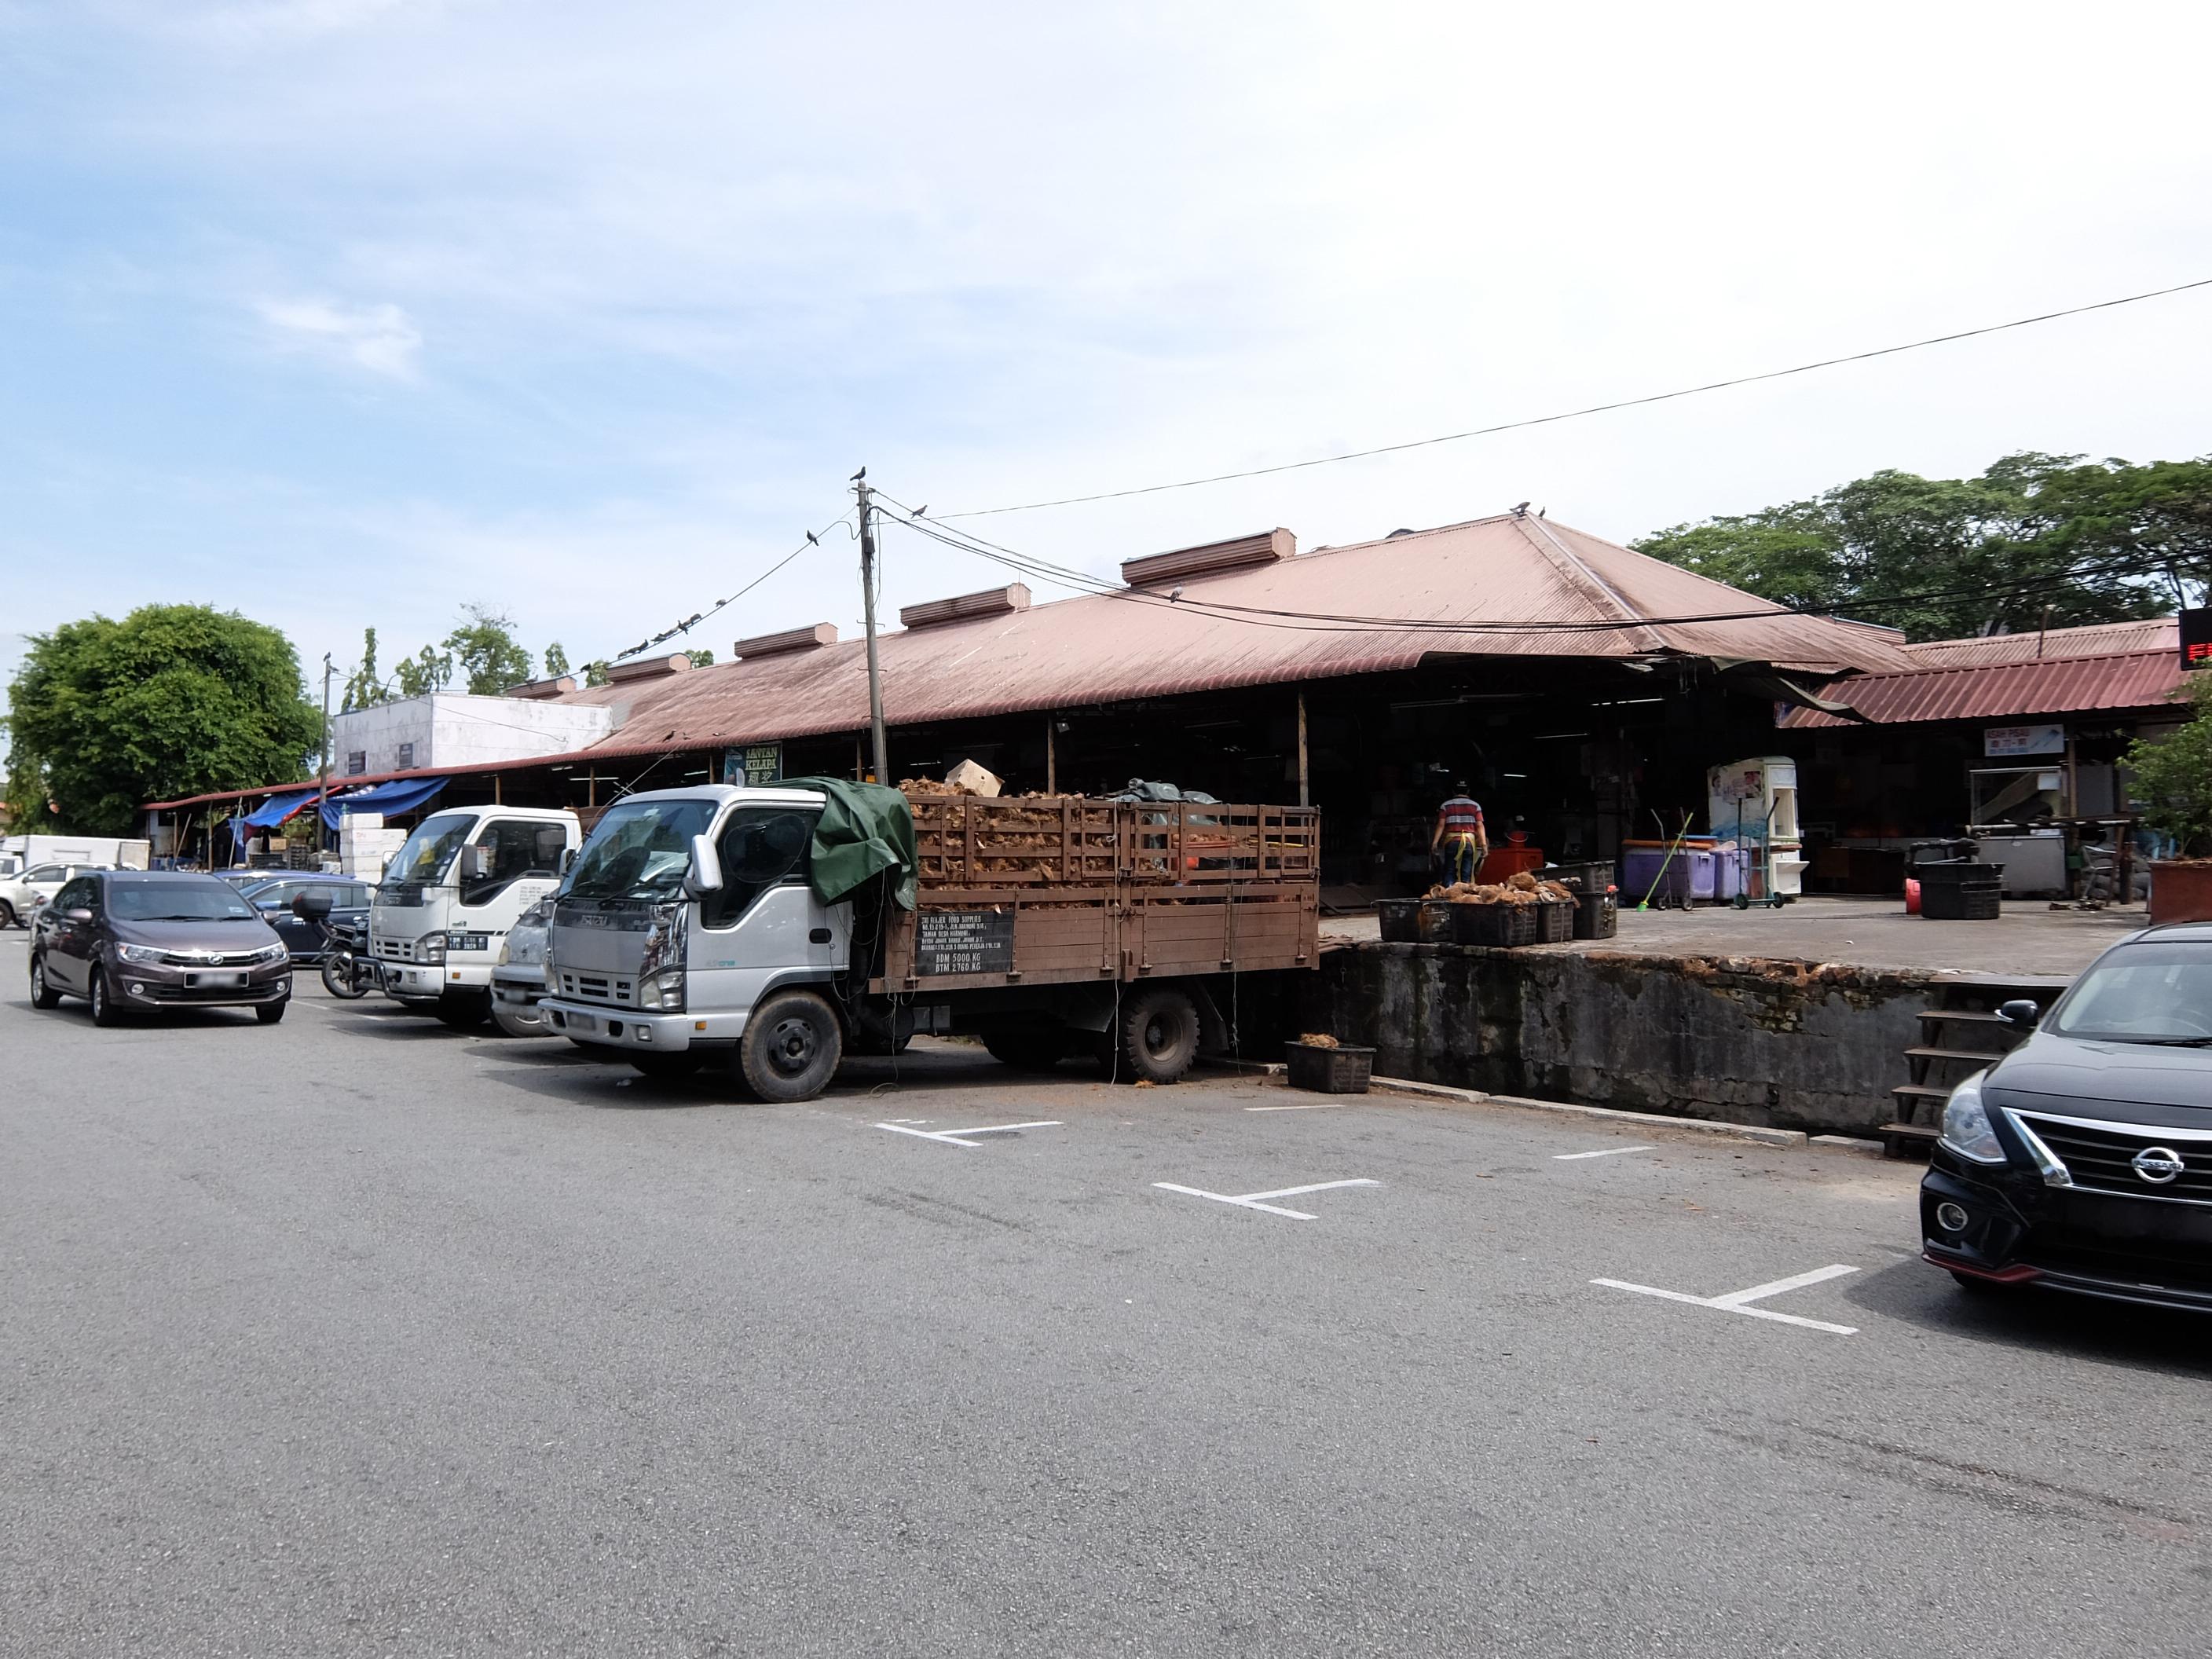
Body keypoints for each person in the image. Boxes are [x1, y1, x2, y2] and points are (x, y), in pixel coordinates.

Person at [1431, 783, 1488, 886]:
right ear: (1468, 791)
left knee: (1449, 870)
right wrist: (1484, 845)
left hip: (1451, 842)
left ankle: (1449, 893)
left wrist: (1435, 843)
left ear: (1453, 791)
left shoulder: (1445, 805)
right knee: (1466, 872)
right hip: (1469, 842)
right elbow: (1480, 826)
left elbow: (1441, 825)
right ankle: (1464, 894)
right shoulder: (1475, 806)